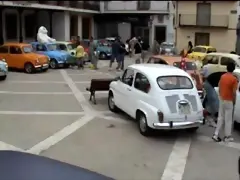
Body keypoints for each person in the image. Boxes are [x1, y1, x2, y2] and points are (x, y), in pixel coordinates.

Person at [212, 62, 238, 142]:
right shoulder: (234, 79)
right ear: (233, 69)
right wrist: (234, 101)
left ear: (227, 68)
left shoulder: (222, 76)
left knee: (220, 118)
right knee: (228, 119)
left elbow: (219, 87)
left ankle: (216, 134)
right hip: (229, 100)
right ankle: (227, 136)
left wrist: (220, 96)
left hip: (222, 99)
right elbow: (234, 92)